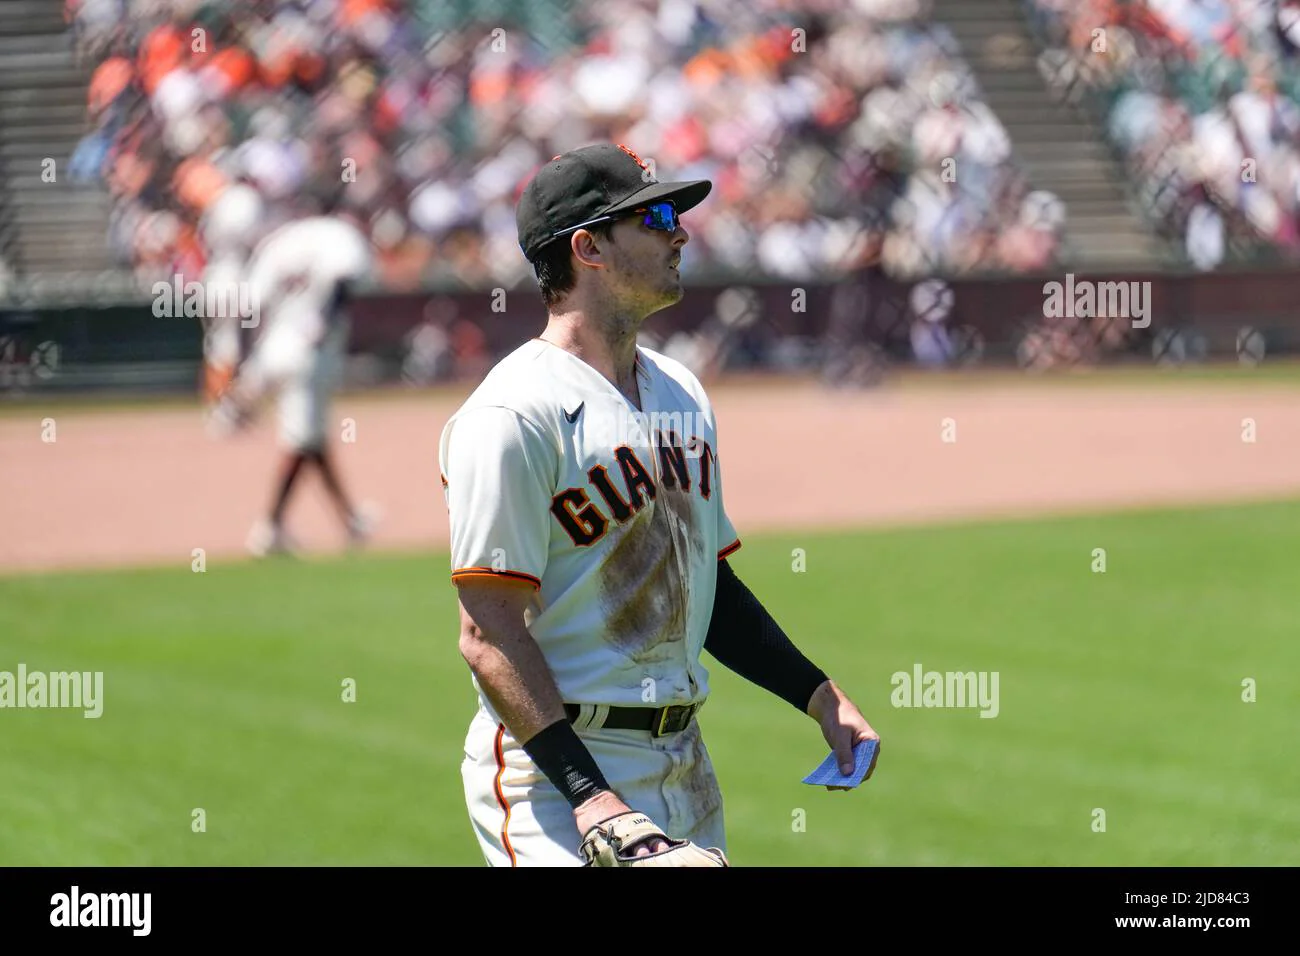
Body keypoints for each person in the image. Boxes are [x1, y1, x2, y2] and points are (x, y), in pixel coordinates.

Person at [438, 143, 880, 868]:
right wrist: (592, 798)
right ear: (588, 248)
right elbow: (487, 631)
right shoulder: (513, 414)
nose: (679, 231)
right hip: (554, 776)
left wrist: (819, 696)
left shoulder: (682, 392)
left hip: (684, 764)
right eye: (655, 216)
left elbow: (710, 589)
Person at [209, 205, 380, 556]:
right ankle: (269, 528)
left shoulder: (282, 241)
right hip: (309, 353)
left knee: (311, 438)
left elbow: (249, 308)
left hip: (271, 350)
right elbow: (341, 280)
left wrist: (242, 364)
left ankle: (349, 520)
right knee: (301, 442)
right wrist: (319, 327)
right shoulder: (340, 234)